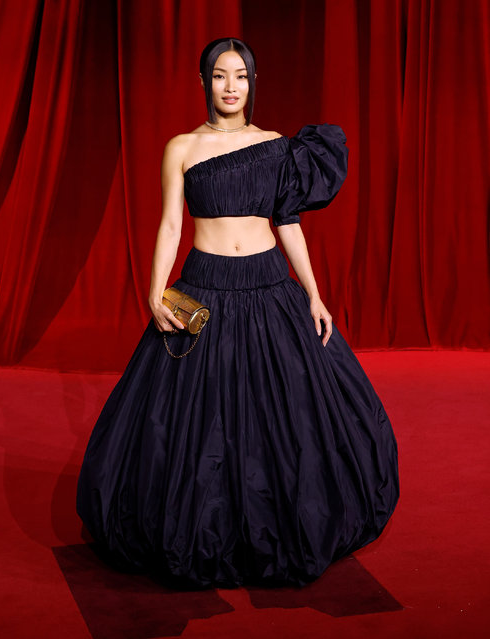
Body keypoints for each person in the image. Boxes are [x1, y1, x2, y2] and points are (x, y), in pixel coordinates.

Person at [76, 37, 399, 589]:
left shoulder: (276, 146)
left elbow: (288, 223)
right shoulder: (181, 147)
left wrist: (314, 293)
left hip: (270, 284)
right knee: (191, 422)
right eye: (221, 76)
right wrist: (155, 293)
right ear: (202, 83)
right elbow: (171, 225)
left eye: (242, 76)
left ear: (252, 83)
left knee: (285, 414)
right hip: (203, 289)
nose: (231, 86)